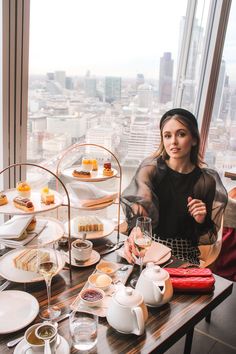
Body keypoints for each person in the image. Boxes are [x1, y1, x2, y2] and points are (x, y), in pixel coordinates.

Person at [121, 108, 228, 266]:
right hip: (152, 247)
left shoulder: (206, 180)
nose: (173, 142)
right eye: (167, 136)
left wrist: (201, 219)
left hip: (184, 254)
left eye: (181, 134)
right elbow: (140, 209)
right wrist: (135, 231)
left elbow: (205, 234)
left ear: (194, 140)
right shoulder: (150, 170)